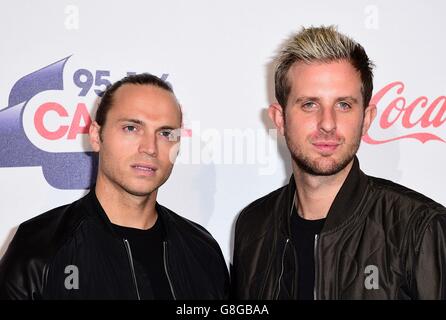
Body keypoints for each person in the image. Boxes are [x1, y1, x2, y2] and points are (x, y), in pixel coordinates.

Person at [231, 26, 446, 300]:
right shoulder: (253, 225)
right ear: (280, 118)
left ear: (366, 119)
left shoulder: (420, 228)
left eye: (344, 105)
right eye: (309, 104)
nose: (328, 124)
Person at [0, 73, 229, 300]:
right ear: (96, 136)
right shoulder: (39, 247)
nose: (150, 147)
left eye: (165, 133)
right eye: (131, 128)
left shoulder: (202, 249)